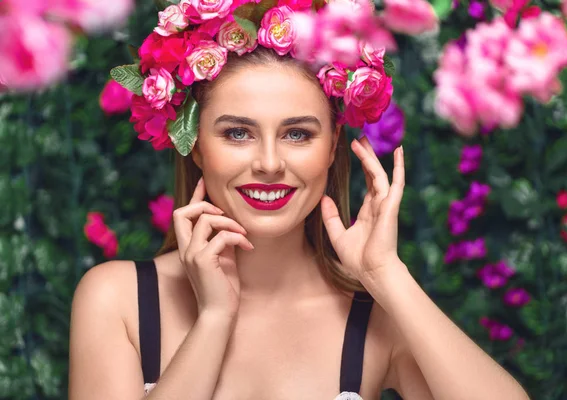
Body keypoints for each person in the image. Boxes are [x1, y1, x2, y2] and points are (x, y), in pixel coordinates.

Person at [68, 1, 532, 399]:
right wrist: (214, 318)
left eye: (296, 134)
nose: (269, 163)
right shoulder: (117, 300)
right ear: (195, 145)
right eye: (237, 133)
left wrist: (387, 277)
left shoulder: (376, 319)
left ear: (332, 147)